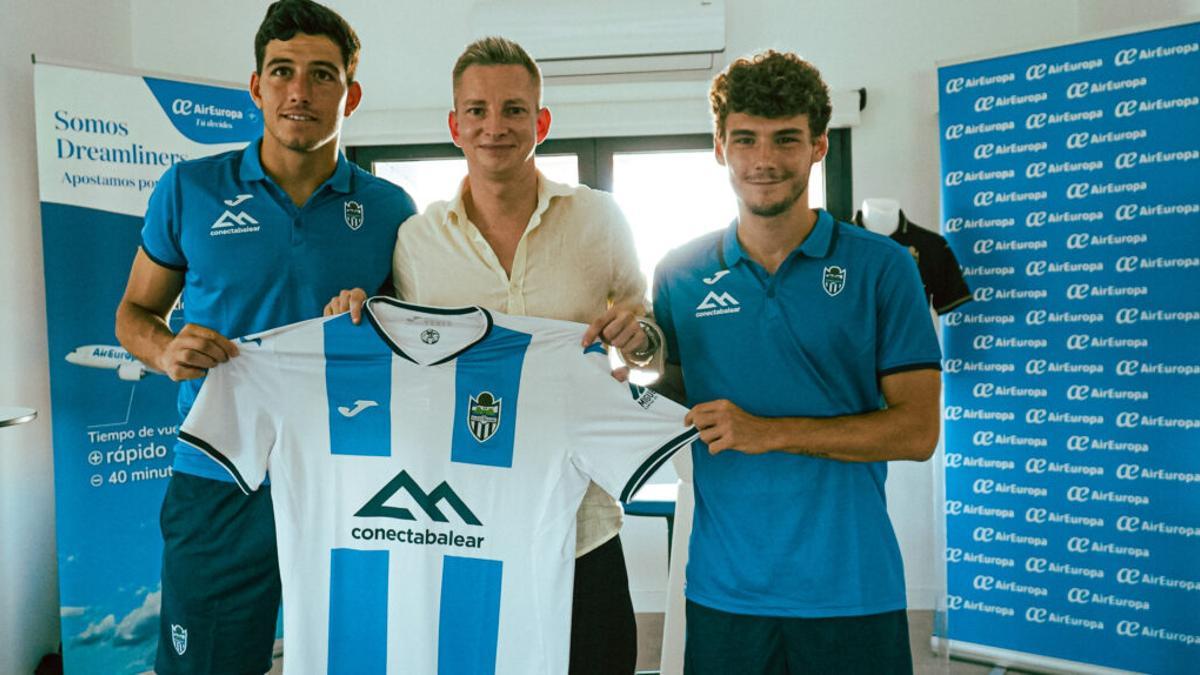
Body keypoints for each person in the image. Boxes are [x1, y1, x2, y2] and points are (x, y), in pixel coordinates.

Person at [323, 36, 659, 674]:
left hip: (581, 520)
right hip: (468, 526)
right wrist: (352, 320)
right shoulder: (416, 243)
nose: (494, 126)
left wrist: (640, 341)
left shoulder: (600, 220)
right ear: (454, 126)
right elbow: (403, 366)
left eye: (513, 109)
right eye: (476, 110)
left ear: (541, 122)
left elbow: (647, 348)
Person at [114, 1, 416, 672]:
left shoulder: (392, 210)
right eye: (281, 71)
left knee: (361, 658)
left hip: (346, 476)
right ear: (256, 86)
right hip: (219, 477)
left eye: (321, 74)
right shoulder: (190, 188)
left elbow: (416, 348)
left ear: (351, 93)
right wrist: (164, 350)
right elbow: (134, 312)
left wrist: (378, 315)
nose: (299, 91)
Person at [651, 50, 942, 675]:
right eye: (745, 139)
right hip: (724, 590)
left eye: (786, 139)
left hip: (851, 589)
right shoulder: (679, 272)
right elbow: (669, 400)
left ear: (818, 147)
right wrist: (630, 359)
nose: (764, 160)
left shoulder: (882, 267)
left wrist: (768, 431)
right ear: (719, 148)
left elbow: (918, 432)